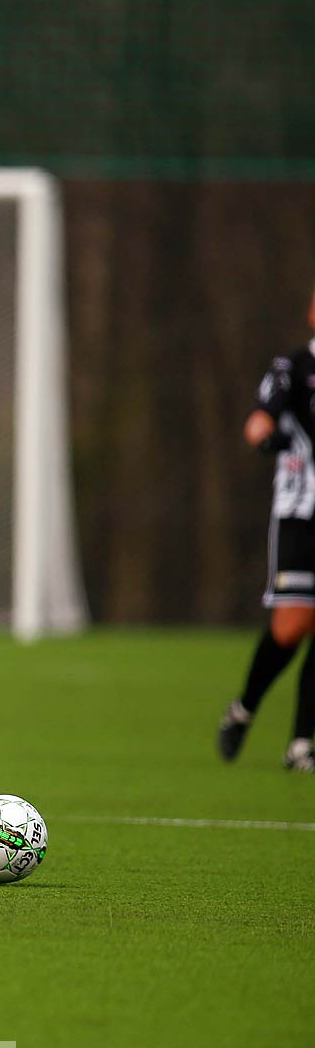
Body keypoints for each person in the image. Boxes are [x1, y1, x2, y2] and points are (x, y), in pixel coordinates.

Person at [217, 291, 315, 773]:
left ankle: (301, 743)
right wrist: (265, 437)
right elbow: (258, 419)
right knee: (292, 626)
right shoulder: (294, 369)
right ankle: (244, 708)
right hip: (301, 511)